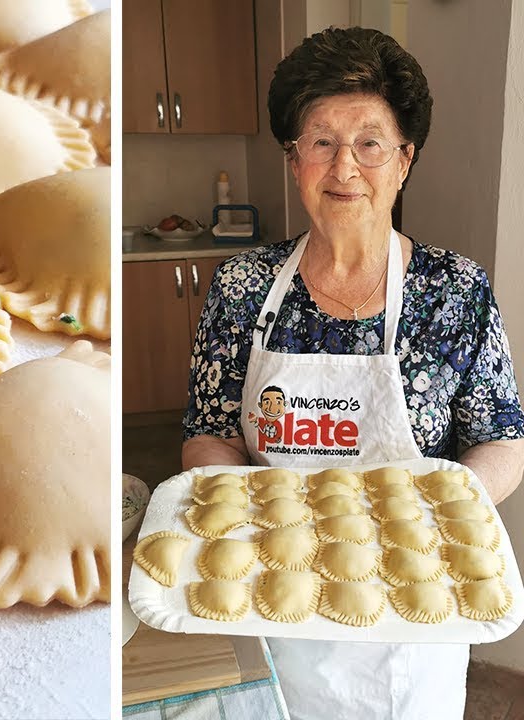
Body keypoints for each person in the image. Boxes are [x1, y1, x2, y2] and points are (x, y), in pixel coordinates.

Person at [183, 27, 524, 720]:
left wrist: (437, 513)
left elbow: (502, 439)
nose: (344, 167)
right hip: (270, 599)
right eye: (320, 141)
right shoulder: (243, 286)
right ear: (293, 158)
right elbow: (208, 433)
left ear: (405, 160)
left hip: (412, 614)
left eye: (370, 143)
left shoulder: (453, 290)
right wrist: (244, 524)